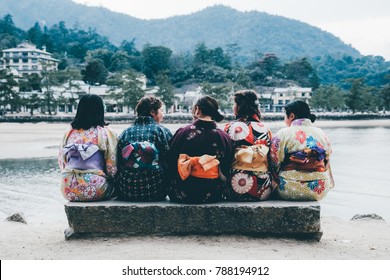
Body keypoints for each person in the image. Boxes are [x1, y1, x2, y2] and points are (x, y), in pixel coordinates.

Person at [168, 95, 234, 203]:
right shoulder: (224, 136)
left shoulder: (183, 132)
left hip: (184, 191)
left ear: (197, 109)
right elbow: (227, 165)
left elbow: (170, 159)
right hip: (214, 192)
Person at [270, 100, 334, 201]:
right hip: (319, 189)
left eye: (285, 116)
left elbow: (274, 161)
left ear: (291, 116)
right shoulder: (321, 133)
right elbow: (327, 158)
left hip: (289, 187)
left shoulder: (283, 134)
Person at [58, 94, 118, 201]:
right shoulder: (105, 133)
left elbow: (62, 162)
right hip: (95, 187)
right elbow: (112, 167)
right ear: (100, 110)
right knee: (115, 189)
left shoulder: (69, 133)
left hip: (67, 188)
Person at [115, 96, 172, 201]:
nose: (163, 115)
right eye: (162, 111)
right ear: (152, 112)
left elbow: (118, 162)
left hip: (127, 190)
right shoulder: (162, 131)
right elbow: (170, 160)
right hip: (156, 190)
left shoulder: (125, 133)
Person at [224, 90, 274, 201]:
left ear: (238, 106)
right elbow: (272, 159)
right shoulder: (265, 129)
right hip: (262, 188)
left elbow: (224, 157)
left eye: (235, 104)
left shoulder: (229, 128)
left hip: (234, 187)